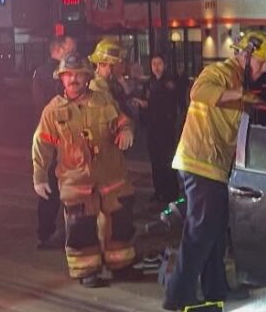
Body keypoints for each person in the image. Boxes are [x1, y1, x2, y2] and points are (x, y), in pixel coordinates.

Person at [162, 30, 266, 311]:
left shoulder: (238, 80)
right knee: (200, 231)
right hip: (199, 164)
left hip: (214, 168)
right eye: (260, 63)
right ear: (245, 55)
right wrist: (241, 95)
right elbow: (197, 92)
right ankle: (178, 294)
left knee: (215, 231)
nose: (262, 70)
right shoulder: (219, 72)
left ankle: (215, 288)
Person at [31, 52, 137, 287]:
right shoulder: (53, 111)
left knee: (119, 224)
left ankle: (121, 266)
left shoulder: (103, 101)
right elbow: (42, 144)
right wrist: (39, 176)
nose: (72, 79)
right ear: (61, 79)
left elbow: (122, 121)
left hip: (112, 178)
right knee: (81, 229)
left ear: (87, 77)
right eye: (67, 75)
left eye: (77, 75)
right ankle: (86, 271)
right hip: (76, 182)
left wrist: (126, 131)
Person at [30, 36, 75, 249]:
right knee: (54, 187)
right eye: (70, 48)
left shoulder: (40, 72)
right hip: (56, 138)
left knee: (56, 187)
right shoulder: (54, 74)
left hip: (55, 137)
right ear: (58, 49)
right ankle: (48, 232)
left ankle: (47, 231)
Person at [142, 54, 183, 202]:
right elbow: (145, 102)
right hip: (152, 127)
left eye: (159, 63)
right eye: (154, 64)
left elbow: (174, 102)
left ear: (164, 65)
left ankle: (171, 192)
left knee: (167, 160)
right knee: (155, 160)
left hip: (166, 127)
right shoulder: (148, 83)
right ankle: (158, 190)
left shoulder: (170, 82)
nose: (156, 67)